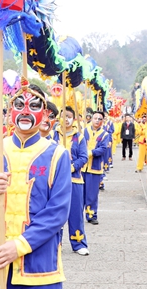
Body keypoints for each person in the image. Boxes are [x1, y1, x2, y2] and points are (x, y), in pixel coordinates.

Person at [0, 86, 71, 288]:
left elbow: (58, 213)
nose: (25, 111)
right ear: (10, 109)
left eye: (34, 105)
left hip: (39, 268)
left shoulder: (58, 155)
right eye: (19, 105)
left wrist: (19, 246)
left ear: (46, 113)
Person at [54, 106, 90, 256]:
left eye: (69, 116)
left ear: (74, 118)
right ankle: (55, 244)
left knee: (75, 212)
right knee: (55, 212)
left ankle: (78, 242)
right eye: (63, 116)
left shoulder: (79, 137)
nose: (66, 119)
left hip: (75, 179)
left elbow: (84, 157)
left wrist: (72, 167)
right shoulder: (52, 135)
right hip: (56, 180)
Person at [83, 109, 110, 225]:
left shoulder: (105, 134)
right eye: (95, 118)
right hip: (82, 167)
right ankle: (76, 215)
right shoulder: (84, 131)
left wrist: (89, 153)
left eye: (100, 119)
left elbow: (103, 149)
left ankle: (91, 215)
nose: (97, 121)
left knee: (92, 194)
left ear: (103, 121)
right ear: (91, 119)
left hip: (95, 168)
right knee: (79, 194)